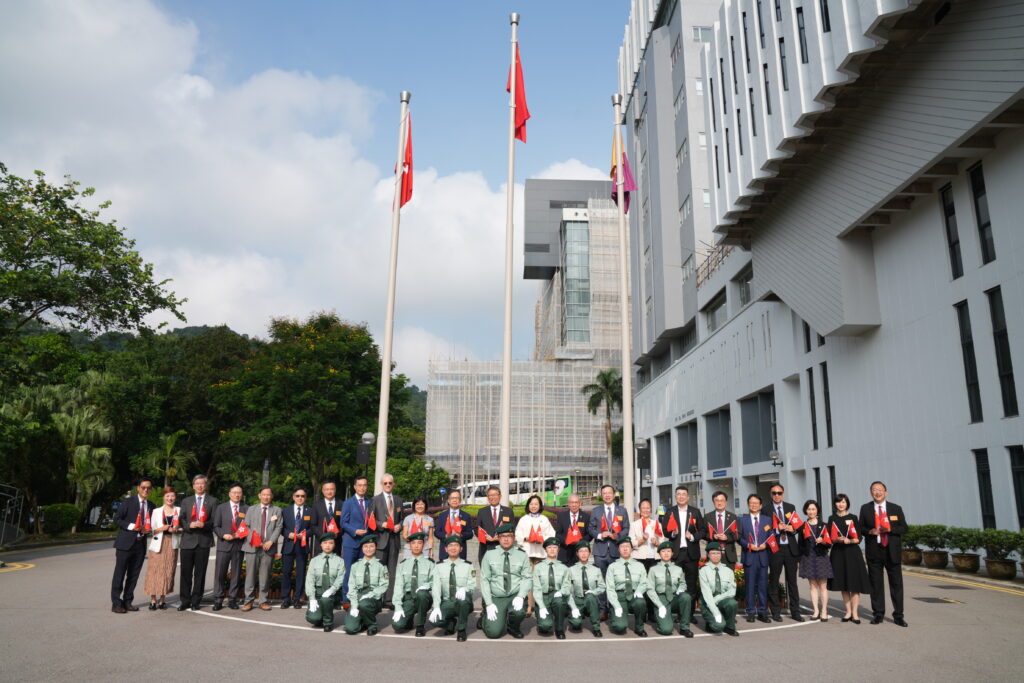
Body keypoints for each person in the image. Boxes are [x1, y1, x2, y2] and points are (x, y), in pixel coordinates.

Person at [859, 481, 909, 627]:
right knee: (876, 584)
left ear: (886, 492)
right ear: (871, 493)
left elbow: (904, 528)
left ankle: (898, 615)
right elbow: (860, 527)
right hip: (874, 551)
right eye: (874, 490)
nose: (878, 492)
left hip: (891, 551)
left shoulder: (895, 508)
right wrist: (870, 531)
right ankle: (878, 614)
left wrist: (890, 529)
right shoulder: (866, 509)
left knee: (896, 584)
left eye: (880, 490)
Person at [479, 523, 531, 639]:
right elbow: (484, 580)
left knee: (518, 612)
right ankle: (484, 619)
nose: (506, 539)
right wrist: (488, 603)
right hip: (497, 597)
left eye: (509, 536)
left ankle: (513, 627)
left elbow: (527, 577)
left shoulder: (522, 555)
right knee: (493, 633)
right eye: (503, 536)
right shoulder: (489, 554)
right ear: (498, 538)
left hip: (514, 595)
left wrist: (521, 596)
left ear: (514, 538)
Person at [660, 485, 703, 622]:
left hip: (691, 554)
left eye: (684, 494)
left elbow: (702, 531)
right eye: (678, 494)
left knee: (691, 585)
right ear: (675, 496)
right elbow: (665, 530)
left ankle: (689, 614)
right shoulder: (670, 512)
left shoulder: (695, 512)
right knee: (675, 585)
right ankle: (678, 614)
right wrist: (673, 533)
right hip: (676, 553)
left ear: (688, 496)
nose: (681, 496)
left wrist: (692, 537)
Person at [111, 477, 153, 613]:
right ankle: (116, 603)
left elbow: (152, 524)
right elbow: (117, 519)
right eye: (143, 487)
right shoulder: (129, 501)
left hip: (140, 545)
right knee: (120, 574)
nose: (146, 490)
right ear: (138, 488)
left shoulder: (151, 505)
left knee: (133, 576)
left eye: (148, 488)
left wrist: (149, 529)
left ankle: (128, 601)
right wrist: (131, 526)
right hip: (125, 544)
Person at [828, 493, 870, 623]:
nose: (841, 504)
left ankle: (855, 613)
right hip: (838, 554)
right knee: (843, 583)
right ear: (835, 504)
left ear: (847, 504)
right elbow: (830, 537)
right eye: (839, 502)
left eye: (844, 502)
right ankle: (848, 612)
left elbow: (858, 538)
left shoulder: (853, 518)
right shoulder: (832, 518)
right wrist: (836, 539)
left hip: (852, 553)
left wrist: (849, 541)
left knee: (854, 584)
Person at [178, 475, 217, 611]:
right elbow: (181, 519)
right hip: (188, 541)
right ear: (193, 486)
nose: (200, 486)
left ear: (205, 485)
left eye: (202, 483)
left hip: (203, 541)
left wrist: (203, 524)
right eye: (197, 483)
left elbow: (214, 521)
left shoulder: (212, 501)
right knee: (185, 573)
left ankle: (196, 601)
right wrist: (190, 525)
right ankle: (184, 600)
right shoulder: (186, 501)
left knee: (200, 574)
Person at [767, 483, 804, 622]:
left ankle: (795, 611)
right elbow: (765, 530)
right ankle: (775, 611)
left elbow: (798, 526)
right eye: (774, 493)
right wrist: (777, 529)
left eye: (779, 493)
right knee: (774, 581)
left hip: (790, 548)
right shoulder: (766, 509)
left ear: (783, 493)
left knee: (792, 582)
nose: (777, 495)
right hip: (775, 549)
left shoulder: (790, 507)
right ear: (771, 494)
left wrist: (792, 529)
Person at [429, 534, 476, 641]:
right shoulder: (439, 566)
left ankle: (461, 629)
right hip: (447, 602)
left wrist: (465, 589)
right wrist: (436, 606)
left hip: (463, 602)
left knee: (463, 601)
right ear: (445, 549)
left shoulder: (468, 565)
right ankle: (450, 622)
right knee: (435, 620)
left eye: (456, 545)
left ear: (461, 549)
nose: (453, 548)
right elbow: (436, 587)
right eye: (450, 545)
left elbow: (472, 584)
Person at [241, 486, 282, 611]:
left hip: (268, 547)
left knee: (265, 575)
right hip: (252, 547)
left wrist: (271, 541)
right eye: (264, 494)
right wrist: (255, 541)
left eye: (269, 495)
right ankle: (248, 601)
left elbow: (278, 527)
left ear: (272, 496)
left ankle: (263, 601)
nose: (266, 497)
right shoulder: (251, 509)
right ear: (259, 495)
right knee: (250, 575)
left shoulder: (277, 510)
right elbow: (246, 526)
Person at [515, 494, 556, 615]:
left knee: (540, 581)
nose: (533, 506)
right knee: (528, 580)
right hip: (527, 553)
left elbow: (551, 534)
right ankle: (529, 606)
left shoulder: (544, 519)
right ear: (528, 505)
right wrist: (526, 538)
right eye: (531, 504)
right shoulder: (524, 519)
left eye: (536, 504)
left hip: (541, 554)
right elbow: (517, 535)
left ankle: (541, 605)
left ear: (540, 506)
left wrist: (542, 538)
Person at [143, 485, 181, 610]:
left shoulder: (179, 510)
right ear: (163, 497)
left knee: (168, 571)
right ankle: (153, 599)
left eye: (172, 496)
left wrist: (176, 530)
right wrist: (162, 528)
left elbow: (182, 528)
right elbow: (151, 530)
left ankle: (163, 599)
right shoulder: (156, 511)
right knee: (154, 571)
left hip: (172, 544)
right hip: (158, 544)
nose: (170, 498)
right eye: (167, 496)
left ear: (175, 497)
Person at [370, 473, 404, 608]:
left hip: (394, 540)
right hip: (381, 539)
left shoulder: (398, 500)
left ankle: (388, 600)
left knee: (392, 570)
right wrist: (381, 524)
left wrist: (400, 525)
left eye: (390, 483)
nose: (388, 485)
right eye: (385, 483)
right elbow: (370, 519)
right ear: (381, 484)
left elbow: (402, 518)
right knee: (379, 571)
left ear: (393, 484)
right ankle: (377, 598)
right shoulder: (375, 500)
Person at [392, 531, 435, 637]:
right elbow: (398, 586)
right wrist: (397, 606)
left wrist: (427, 586)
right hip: (408, 599)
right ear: (409, 545)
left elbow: (435, 582)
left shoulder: (430, 563)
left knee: (422, 594)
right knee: (397, 626)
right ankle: (409, 619)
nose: (416, 546)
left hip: (423, 598)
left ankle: (420, 625)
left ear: (423, 545)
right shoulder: (403, 564)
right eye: (413, 543)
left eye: (419, 543)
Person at [343, 534, 389, 635]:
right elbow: (351, 586)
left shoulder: (381, 565)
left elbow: (384, 585)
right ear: (362, 548)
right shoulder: (355, 566)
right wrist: (354, 605)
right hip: (357, 596)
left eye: (371, 546)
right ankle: (363, 620)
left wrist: (370, 595)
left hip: (373, 598)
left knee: (364, 605)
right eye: (366, 546)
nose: (369, 549)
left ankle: (372, 625)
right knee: (350, 629)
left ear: (376, 547)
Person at [211, 484, 247, 611]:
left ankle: (232, 599)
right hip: (224, 545)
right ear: (229, 493)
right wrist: (223, 535)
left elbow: (248, 526)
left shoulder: (246, 508)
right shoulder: (221, 508)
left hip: (238, 545)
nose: (237, 495)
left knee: (236, 574)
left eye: (239, 492)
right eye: (234, 492)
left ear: (242, 494)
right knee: (220, 573)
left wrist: (239, 534)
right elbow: (216, 526)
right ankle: (218, 599)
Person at [647, 541, 694, 637]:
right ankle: (665, 619)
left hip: (675, 597)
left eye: (669, 551)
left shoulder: (678, 569)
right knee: (666, 630)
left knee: (686, 597)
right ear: (659, 553)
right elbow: (650, 589)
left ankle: (684, 628)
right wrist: (659, 605)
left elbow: (682, 583)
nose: (666, 553)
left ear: (672, 553)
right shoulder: (653, 569)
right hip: (661, 598)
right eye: (663, 551)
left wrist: (681, 589)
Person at [605, 536, 649, 636]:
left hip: (634, 595)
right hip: (619, 597)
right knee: (619, 628)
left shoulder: (640, 565)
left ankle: (639, 627)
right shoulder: (612, 567)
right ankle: (615, 616)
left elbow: (644, 582)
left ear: (632, 549)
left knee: (640, 602)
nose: (625, 549)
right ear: (618, 549)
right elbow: (610, 588)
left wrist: (639, 591)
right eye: (622, 547)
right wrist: (616, 605)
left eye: (627, 546)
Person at [799, 499, 834, 621]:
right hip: (808, 557)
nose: (811, 511)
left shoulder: (824, 525)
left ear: (817, 510)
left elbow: (829, 543)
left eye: (813, 509)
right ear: (806, 511)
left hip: (821, 557)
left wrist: (823, 541)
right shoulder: (803, 526)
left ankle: (824, 610)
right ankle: (816, 611)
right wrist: (800, 560)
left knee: (823, 586)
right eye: (809, 509)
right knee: (812, 586)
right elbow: (800, 545)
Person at [739, 493, 771, 623]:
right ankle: (751, 611)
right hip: (749, 556)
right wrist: (748, 545)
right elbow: (738, 537)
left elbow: (772, 535)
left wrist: (766, 544)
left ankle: (762, 612)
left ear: (760, 505)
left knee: (763, 586)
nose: (753, 505)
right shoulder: (742, 520)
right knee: (750, 586)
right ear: (748, 505)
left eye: (756, 503)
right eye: (751, 503)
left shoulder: (767, 520)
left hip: (763, 556)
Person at [533, 537, 573, 639]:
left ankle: (559, 629)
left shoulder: (564, 568)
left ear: (558, 550)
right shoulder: (538, 567)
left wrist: (562, 592)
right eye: (549, 547)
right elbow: (536, 588)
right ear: (545, 550)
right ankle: (545, 620)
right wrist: (541, 606)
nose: (552, 550)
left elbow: (566, 585)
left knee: (559, 602)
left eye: (555, 547)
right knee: (545, 627)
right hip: (543, 597)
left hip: (556, 595)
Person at [304, 533, 345, 632]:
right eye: (325, 543)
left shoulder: (339, 561)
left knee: (326, 600)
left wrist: (332, 590)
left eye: (330, 543)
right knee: (313, 618)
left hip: (332, 594)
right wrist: (312, 598)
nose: (327, 545)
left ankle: (328, 622)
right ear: (321, 545)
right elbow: (310, 580)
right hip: (318, 592)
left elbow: (340, 578)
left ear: (334, 545)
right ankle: (320, 617)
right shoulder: (314, 561)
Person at [340, 476, 372, 605]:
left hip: (365, 543)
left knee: (362, 572)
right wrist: (355, 531)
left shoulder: (370, 502)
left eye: (364, 485)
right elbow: (343, 522)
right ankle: (346, 600)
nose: (362, 487)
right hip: (351, 542)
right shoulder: (348, 502)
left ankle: (360, 598)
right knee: (349, 571)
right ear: (355, 487)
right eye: (359, 485)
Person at [280, 487, 313, 609]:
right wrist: (289, 534)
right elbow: (281, 528)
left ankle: (297, 598)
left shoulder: (310, 511)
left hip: (302, 547)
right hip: (288, 545)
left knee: (301, 573)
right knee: (286, 573)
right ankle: (286, 598)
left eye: (303, 496)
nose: (300, 498)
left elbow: (312, 528)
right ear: (293, 497)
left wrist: (305, 534)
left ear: (305, 498)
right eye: (298, 496)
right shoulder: (285, 511)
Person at [698, 542, 740, 636]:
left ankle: (729, 626)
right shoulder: (703, 570)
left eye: (718, 553)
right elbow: (707, 594)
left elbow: (732, 591)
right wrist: (715, 612)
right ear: (708, 555)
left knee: (732, 603)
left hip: (720, 600)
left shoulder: (728, 570)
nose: (716, 556)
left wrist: (718, 598)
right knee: (718, 627)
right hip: (708, 603)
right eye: (713, 553)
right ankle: (712, 621)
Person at [566, 542, 604, 637]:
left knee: (591, 597)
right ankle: (577, 619)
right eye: (581, 551)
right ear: (577, 553)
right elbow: (567, 590)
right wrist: (573, 607)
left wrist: (594, 592)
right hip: (577, 600)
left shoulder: (596, 569)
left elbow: (602, 586)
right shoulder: (571, 570)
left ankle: (596, 628)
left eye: (586, 551)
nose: (583, 554)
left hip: (591, 600)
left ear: (589, 553)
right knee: (576, 624)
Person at [476, 486, 514, 564]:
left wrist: (501, 537)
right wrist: (484, 537)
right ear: (487, 497)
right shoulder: (482, 511)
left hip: (503, 548)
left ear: (500, 496)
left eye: (495, 495)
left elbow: (513, 528)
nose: (493, 497)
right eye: (490, 495)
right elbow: (477, 528)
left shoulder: (508, 511)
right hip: (486, 548)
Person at [703, 491, 740, 567]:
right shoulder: (707, 517)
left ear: (726, 502)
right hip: (713, 554)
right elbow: (703, 534)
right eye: (717, 500)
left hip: (729, 555)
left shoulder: (733, 517)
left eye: (722, 500)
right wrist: (713, 536)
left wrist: (727, 538)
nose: (719, 503)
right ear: (713, 502)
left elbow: (738, 535)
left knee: (728, 578)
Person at [433, 490, 473, 561]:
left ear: (460, 500)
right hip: (444, 551)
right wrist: (445, 535)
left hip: (460, 552)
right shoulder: (442, 516)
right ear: (448, 500)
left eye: (457, 498)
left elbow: (470, 533)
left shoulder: (465, 516)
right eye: (452, 498)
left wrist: (460, 535)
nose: (455, 500)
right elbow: (436, 532)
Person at [554, 494, 590, 565]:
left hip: (580, 554)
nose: (574, 505)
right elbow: (557, 534)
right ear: (568, 504)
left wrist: (580, 542)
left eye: (576, 502)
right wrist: (567, 541)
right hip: (564, 553)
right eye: (572, 502)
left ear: (580, 504)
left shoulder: (586, 517)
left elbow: (589, 534)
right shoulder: (561, 516)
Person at [628, 498, 663, 570]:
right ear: (640, 510)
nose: (646, 510)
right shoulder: (634, 524)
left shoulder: (657, 524)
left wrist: (657, 542)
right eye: (643, 508)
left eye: (648, 508)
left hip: (655, 557)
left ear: (651, 509)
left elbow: (662, 541)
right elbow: (631, 543)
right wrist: (642, 540)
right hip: (639, 558)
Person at [312, 480, 342, 555]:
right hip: (320, 543)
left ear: (335, 490)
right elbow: (313, 525)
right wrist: (323, 536)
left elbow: (344, 523)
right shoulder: (316, 505)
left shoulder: (342, 504)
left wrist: (337, 534)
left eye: (331, 489)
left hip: (336, 542)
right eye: (327, 489)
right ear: (322, 491)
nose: (329, 492)